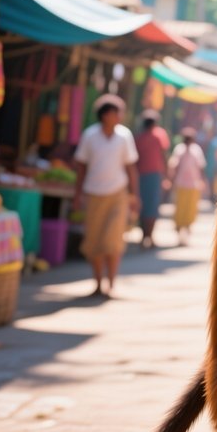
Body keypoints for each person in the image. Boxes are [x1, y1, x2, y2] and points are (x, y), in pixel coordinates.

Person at [72, 95, 139, 297]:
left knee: (113, 240)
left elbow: (130, 168)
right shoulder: (90, 136)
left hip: (118, 193)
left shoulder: (124, 136)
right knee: (94, 241)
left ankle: (111, 284)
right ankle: (98, 284)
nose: (119, 116)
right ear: (106, 115)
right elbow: (81, 168)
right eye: (116, 112)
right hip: (94, 193)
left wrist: (135, 196)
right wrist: (77, 194)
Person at [134, 109, 170, 248]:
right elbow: (164, 155)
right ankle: (148, 236)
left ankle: (145, 236)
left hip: (143, 175)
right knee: (152, 206)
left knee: (144, 206)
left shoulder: (139, 138)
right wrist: (166, 176)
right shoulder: (159, 135)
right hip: (154, 175)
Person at [167, 127, 208, 245]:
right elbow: (174, 165)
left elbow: (201, 167)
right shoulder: (179, 150)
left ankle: (187, 228)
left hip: (193, 184)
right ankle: (180, 230)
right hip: (181, 184)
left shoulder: (196, 150)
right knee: (180, 209)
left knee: (191, 209)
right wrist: (171, 180)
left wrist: (202, 181)